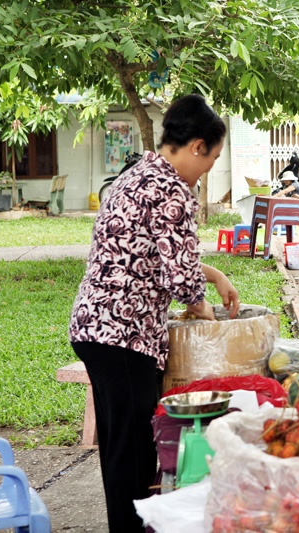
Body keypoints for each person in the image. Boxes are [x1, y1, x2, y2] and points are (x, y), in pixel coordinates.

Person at [68, 94, 239, 532]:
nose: (208, 171)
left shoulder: (138, 175)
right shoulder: (172, 190)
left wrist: (214, 272)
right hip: (123, 335)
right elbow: (184, 284)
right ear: (197, 146)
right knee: (135, 458)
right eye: (213, 158)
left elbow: (151, 252)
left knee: (119, 449)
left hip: (94, 327)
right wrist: (217, 321)